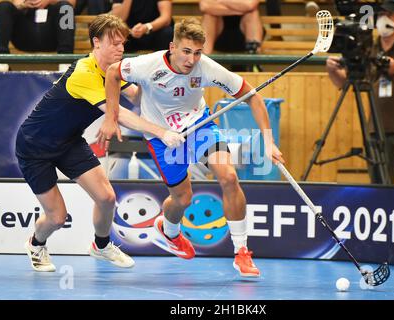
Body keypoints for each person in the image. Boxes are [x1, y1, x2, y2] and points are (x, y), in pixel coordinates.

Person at [104, 18, 284, 277]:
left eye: (197, 53)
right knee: (182, 199)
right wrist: (111, 118)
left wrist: (268, 141)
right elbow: (113, 72)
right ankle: (170, 231)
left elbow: (253, 96)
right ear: (172, 47)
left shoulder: (207, 68)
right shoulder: (147, 65)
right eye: (186, 51)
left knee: (229, 177)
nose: (191, 60)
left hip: (200, 126)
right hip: (161, 136)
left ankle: (242, 252)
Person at [15, 14, 185, 272]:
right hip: (34, 146)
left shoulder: (115, 70)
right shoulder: (85, 72)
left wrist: (165, 81)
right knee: (57, 217)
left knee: (106, 198)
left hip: (69, 141)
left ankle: (101, 245)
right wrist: (162, 132)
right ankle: (36, 243)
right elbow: (119, 114)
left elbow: (138, 98)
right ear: (96, 42)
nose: (120, 49)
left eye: (123, 44)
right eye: (114, 43)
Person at [326, 0, 394, 187]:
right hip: (377, 129)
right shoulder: (369, 46)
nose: (384, 18)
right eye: (380, 14)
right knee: (379, 183)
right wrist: (332, 70)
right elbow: (347, 83)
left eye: (390, 14)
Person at [0, 0, 76, 72]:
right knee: (4, 6)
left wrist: (49, 1)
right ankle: (1, 60)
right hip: (25, 32)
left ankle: (65, 61)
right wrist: (24, 4)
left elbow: (71, 3)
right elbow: (16, 3)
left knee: (66, 7)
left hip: (52, 33)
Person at [199, 0, 264, 55]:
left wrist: (219, 1)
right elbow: (204, 6)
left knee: (252, 13)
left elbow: (250, 5)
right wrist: (240, 9)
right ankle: (204, 60)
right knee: (209, 16)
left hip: (245, 30)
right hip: (217, 32)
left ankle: (254, 62)